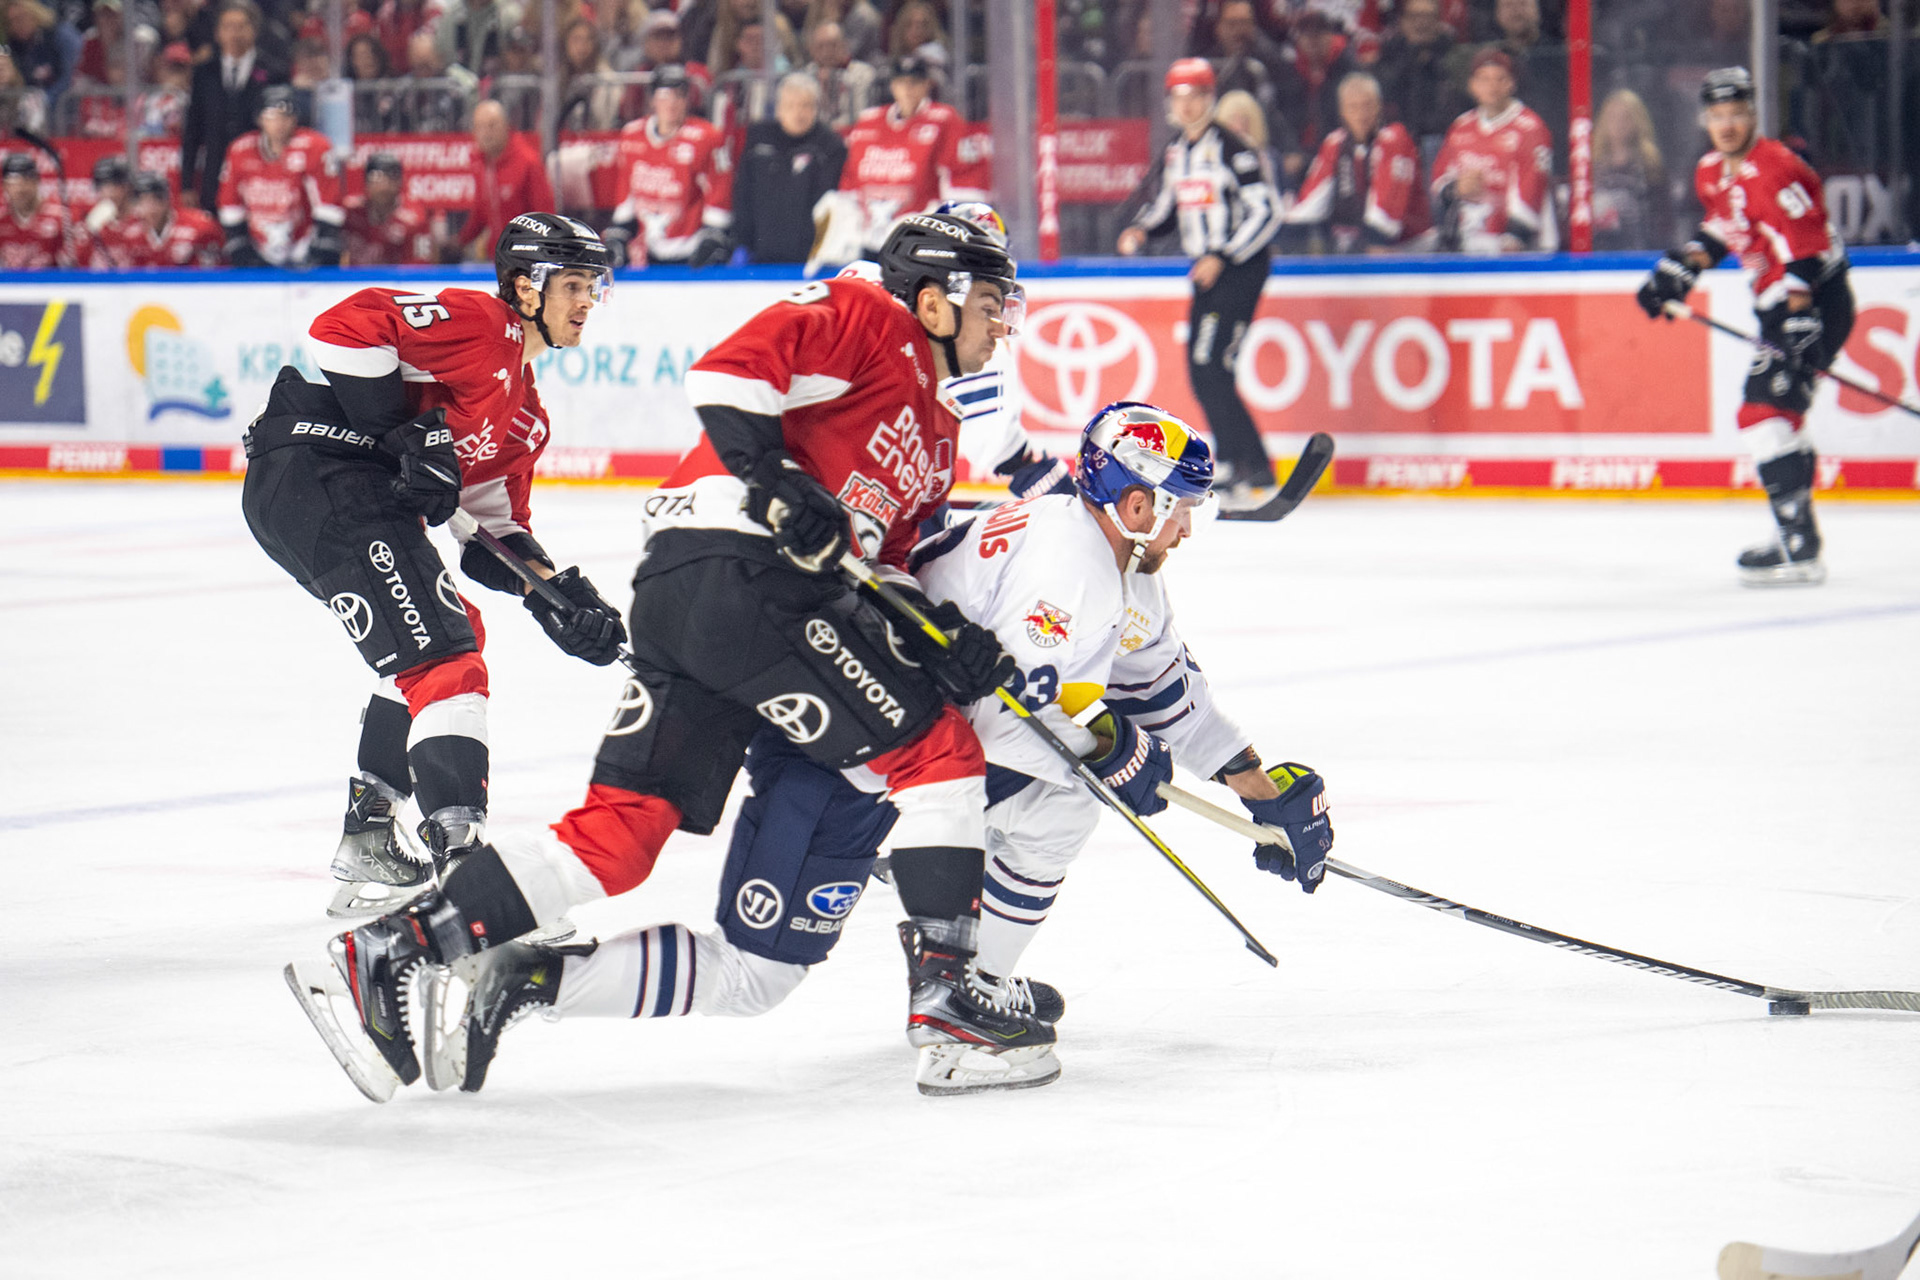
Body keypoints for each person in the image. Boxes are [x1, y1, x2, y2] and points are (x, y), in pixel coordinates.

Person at [292, 213, 1028, 1102]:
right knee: (940, 755)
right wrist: (781, 483)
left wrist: (946, 640)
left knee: (622, 835)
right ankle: (950, 1005)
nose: (1004, 324)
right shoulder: (869, 319)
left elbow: (883, 568)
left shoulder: (939, 441)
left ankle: (389, 949)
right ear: (935, 299)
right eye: (990, 302)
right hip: (745, 572)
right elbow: (726, 373)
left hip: (696, 597)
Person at [434, 402, 1335, 1097]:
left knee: (1047, 809)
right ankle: (955, 1012)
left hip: (892, 756)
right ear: (1135, 502)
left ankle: (966, 989)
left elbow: (1166, 691)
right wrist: (1112, 755)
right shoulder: (1069, 563)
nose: (1186, 530)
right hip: (849, 753)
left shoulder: (1120, 569)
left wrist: (1262, 790)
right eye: (1180, 511)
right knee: (771, 968)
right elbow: (997, 715)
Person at [244, 214, 626, 921]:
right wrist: (401, 431)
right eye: (572, 284)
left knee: (446, 640)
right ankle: (467, 885)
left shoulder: (525, 415)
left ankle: (370, 834)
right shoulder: (485, 324)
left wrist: (560, 597)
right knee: (447, 665)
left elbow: (492, 532)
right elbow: (340, 328)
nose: (585, 302)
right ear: (524, 286)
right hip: (319, 470)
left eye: (592, 287)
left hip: (340, 495)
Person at [1636, 67, 1852, 585]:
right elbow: (1722, 230)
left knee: (1760, 414)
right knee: (1779, 417)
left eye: (1736, 114)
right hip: (1778, 308)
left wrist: (1802, 320)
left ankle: (1798, 544)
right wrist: (1679, 267)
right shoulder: (1711, 170)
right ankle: (1797, 536)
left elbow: (1808, 245)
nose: (1728, 124)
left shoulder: (1779, 167)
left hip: (1815, 303)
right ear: (1705, 119)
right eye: (1718, 116)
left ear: (1754, 113)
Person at [1117, 59, 1282, 509]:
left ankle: (1234, 462)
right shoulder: (1179, 151)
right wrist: (1141, 229)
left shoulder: (1232, 148)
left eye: (1196, 96)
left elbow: (1267, 211)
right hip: (1208, 271)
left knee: (1209, 365)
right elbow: (1168, 207)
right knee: (1206, 369)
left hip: (1237, 268)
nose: (1187, 106)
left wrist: (1222, 254)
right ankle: (1255, 463)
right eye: (1180, 97)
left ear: (1210, 99)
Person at [832, 55, 979, 255]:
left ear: (927, 84)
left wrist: (936, 226)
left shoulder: (944, 120)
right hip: (869, 241)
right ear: (892, 86)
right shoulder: (869, 121)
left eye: (914, 82)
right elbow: (850, 184)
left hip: (919, 240)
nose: (907, 89)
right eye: (901, 82)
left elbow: (957, 181)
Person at [604, 63, 733, 269]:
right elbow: (626, 192)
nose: (671, 103)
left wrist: (714, 234)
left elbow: (719, 193)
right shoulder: (632, 135)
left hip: (694, 250)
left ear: (687, 100)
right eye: (665, 95)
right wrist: (620, 231)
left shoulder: (706, 137)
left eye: (678, 96)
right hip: (650, 249)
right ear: (653, 99)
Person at [1430, 47, 1555, 252]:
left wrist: (1514, 238)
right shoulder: (1461, 126)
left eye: (1500, 79)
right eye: (1484, 79)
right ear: (1472, 85)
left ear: (1512, 83)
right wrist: (1456, 188)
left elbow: (1532, 188)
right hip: (1468, 240)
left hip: (1522, 245)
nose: (1492, 86)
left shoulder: (1531, 128)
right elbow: (1439, 180)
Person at [1285, 71, 1420, 253]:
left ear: (1379, 107)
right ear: (1342, 112)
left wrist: (1374, 240)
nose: (1361, 115)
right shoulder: (1334, 143)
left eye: (1367, 106)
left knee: (1377, 252)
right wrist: (1287, 235)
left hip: (1408, 245)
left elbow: (1387, 214)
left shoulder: (1395, 138)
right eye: (1353, 107)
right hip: (1358, 245)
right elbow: (1310, 201)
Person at [215, 84, 343, 266]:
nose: (279, 123)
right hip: (258, 245)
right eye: (272, 116)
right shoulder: (240, 150)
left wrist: (321, 241)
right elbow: (230, 203)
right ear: (259, 118)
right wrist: (239, 241)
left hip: (304, 243)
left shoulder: (315, 147)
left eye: (286, 116)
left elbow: (329, 203)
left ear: (295, 119)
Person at [731, 72, 847, 264]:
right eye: (790, 106)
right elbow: (743, 194)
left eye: (805, 106)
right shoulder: (758, 139)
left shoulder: (830, 146)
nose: (798, 113)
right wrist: (741, 241)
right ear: (778, 109)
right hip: (760, 256)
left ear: (816, 109)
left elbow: (830, 205)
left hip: (809, 260)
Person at [180, 0, 277, 211]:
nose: (235, 33)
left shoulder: (273, 71)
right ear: (217, 33)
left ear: (254, 30)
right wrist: (186, 183)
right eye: (228, 26)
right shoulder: (204, 73)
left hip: (259, 172)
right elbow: (192, 130)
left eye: (241, 26)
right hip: (215, 173)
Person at [453, 99, 555, 262]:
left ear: (506, 126)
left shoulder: (528, 162)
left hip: (525, 258)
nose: (486, 133)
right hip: (495, 258)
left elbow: (544, 215)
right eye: (480, 127)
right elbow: (480, 213)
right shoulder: (481, 164)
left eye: (492, 125)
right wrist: (459, 242)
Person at [1589, 88, 1670, 251]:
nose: (1618, 124)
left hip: (1639, 251)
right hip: (1599, 253)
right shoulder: (1591, 164)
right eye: (1612, 117)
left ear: (1637, 121)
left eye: (1625, 118)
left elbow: (1662, 218)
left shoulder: (1650, 165)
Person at [100, 170, 224, 266]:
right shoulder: (128, 234)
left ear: (167, 201)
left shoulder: (200, 226)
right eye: (143, 202)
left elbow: (217, 274)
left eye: (156, 200)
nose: (150, 209)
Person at [342, 151, 435, 265]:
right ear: (366, 182)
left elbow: (420, 266)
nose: (384, 186)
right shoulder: (349, 211)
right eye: (377, 179)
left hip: (397, 280)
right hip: (353, 280)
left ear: (400, 182)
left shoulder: (413, 219)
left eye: (391, 178)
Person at [0, 149, 74, 267]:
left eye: (27, 181)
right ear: (4, 186)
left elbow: (73, 267)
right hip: (11, 285)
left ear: (37, 182)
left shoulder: (60, 218)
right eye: (14, 183)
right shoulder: (2, 220)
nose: (20, 189)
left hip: (49, 284)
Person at [802, 19, 874, 130]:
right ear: (811, 49)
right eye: (820, 46)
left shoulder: (863, 74)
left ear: (845, 45)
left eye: (833, 45)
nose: (827, 52)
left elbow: (860, 117)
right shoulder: (804, 77)